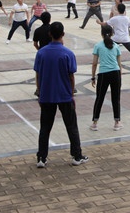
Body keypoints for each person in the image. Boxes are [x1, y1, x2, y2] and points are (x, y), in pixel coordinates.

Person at [34, 21, 88, 168]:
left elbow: (38, 74)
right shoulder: (68, 53)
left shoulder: (41, 53)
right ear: (63, 34)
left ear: (49, 34)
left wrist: (39, 92)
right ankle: (76, 156)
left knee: (45, 127)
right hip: (64, 95)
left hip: (47, 95)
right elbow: (71, 76)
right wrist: (71, 94)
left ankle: (41, 157)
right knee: (71, 126)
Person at [89, 24, 123, 131]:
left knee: (99, 98)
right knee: (116, 98)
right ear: (112, 33)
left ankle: (95, 123)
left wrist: (93, 77)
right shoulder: (116, 46)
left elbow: (94, 63)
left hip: (103, 74)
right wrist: (120, 76)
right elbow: (119, 64)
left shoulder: (98, 46)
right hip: (116, 73)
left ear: (102, 34)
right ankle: (117, 122)